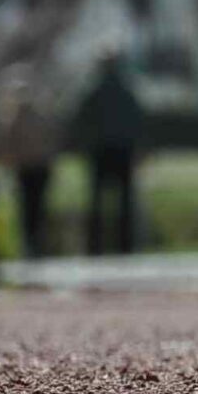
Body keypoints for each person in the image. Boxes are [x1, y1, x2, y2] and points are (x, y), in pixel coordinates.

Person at [70, 51, 146, 256]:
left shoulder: (93, 91)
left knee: (97, 202)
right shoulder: (127, 90)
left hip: (100, 151)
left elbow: (79, 121)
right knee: (124, 202)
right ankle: (125, 246)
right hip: (121, 150)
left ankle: (95, 246)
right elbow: (139, 123)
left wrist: (82, 146)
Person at [0, 68, 62, 259]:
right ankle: (35, 244)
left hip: (29, 167)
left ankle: (32, 245)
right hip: (35, 166)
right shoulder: (40, 112)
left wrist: (0, 162)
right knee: (36, 208)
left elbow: (1, 143)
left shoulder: (10, 115)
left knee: (28, 208)